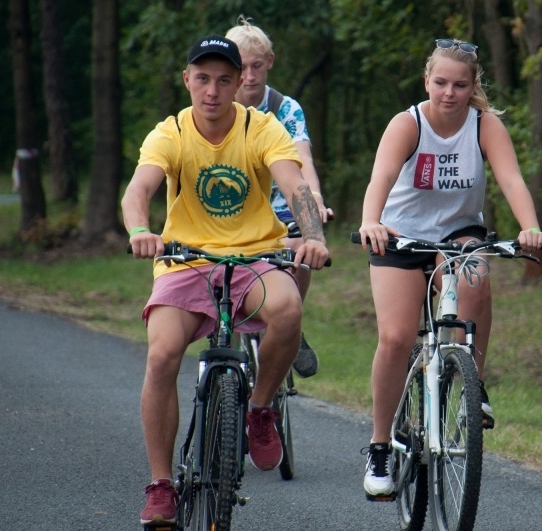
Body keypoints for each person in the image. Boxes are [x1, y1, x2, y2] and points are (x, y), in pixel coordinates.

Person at [121, 35, 329, 526]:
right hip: (186, 261)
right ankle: (161, 485)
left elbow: (295, 185)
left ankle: (259, 409)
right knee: (161, 354)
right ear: (187, 80)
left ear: (240, 83)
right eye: (202, 78)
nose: (212, 90)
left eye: (223, 80)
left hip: (254, 256)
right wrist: (140, 230)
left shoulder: (262, 128)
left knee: (289, 309)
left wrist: (313, 235)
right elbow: (138, 190)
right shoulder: (169, 133)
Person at [355, 38, 542, 498]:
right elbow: (380, 176)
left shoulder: (485, 125)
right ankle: (380, 445)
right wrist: (369, 222)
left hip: (458, 231)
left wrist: (530, 227)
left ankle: (472, 388)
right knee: (397, 338)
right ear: (427, 81)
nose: (449, 93)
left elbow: (511, 178)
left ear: (472, 86)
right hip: (401, 234)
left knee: (476, 272)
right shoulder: (408, 123)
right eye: (440, 82)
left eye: (460, 84)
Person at [225, 16, 334, 379]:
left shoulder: (286, 108)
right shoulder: (217, 106)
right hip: (234, 209)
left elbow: (303, 158)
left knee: (302, 242)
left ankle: (292, 326)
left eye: (258, 66)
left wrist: (314, 198)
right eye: (242, 68)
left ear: (270, 61)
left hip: (281, 204)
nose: (251, 76)